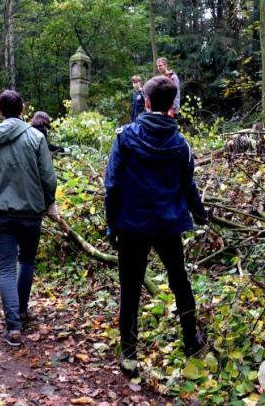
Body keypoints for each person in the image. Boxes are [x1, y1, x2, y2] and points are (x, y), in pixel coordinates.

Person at [103, 75, 212, 377]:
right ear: (169, 106)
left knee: (130, 289)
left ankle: (129, 357)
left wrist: (111, 225)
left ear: (146, 102)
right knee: (180, 282)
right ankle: (191, 341)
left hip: (132, 226)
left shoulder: (125, 137)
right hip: (167, 225)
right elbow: (188, 187)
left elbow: (112, 186)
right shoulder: (181, 144)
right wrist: (202, 215)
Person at [0, 90, 58, 347]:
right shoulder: (36, 137)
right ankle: (21, 313)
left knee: (5, 266)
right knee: (26, 260)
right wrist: (50, 202)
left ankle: (14, 326)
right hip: (29, 211)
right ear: (23, 109)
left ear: (0, 111)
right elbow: (48, 176)